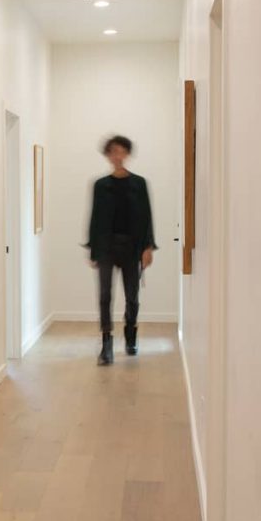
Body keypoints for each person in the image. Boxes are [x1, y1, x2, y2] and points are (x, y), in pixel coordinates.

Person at [86, 135, 157, 366]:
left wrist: (148, 247)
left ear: (127, 154)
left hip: (132, 248)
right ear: (108, 155)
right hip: (106, 248)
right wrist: (94, 251)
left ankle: (131, 335)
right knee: (105, 296)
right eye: (112, 152)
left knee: (132, 297)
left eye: (121, 151)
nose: (117, 155)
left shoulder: (139, 183)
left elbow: (147, 217)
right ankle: (106, 344)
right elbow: (95, 219)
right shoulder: (100, 185)